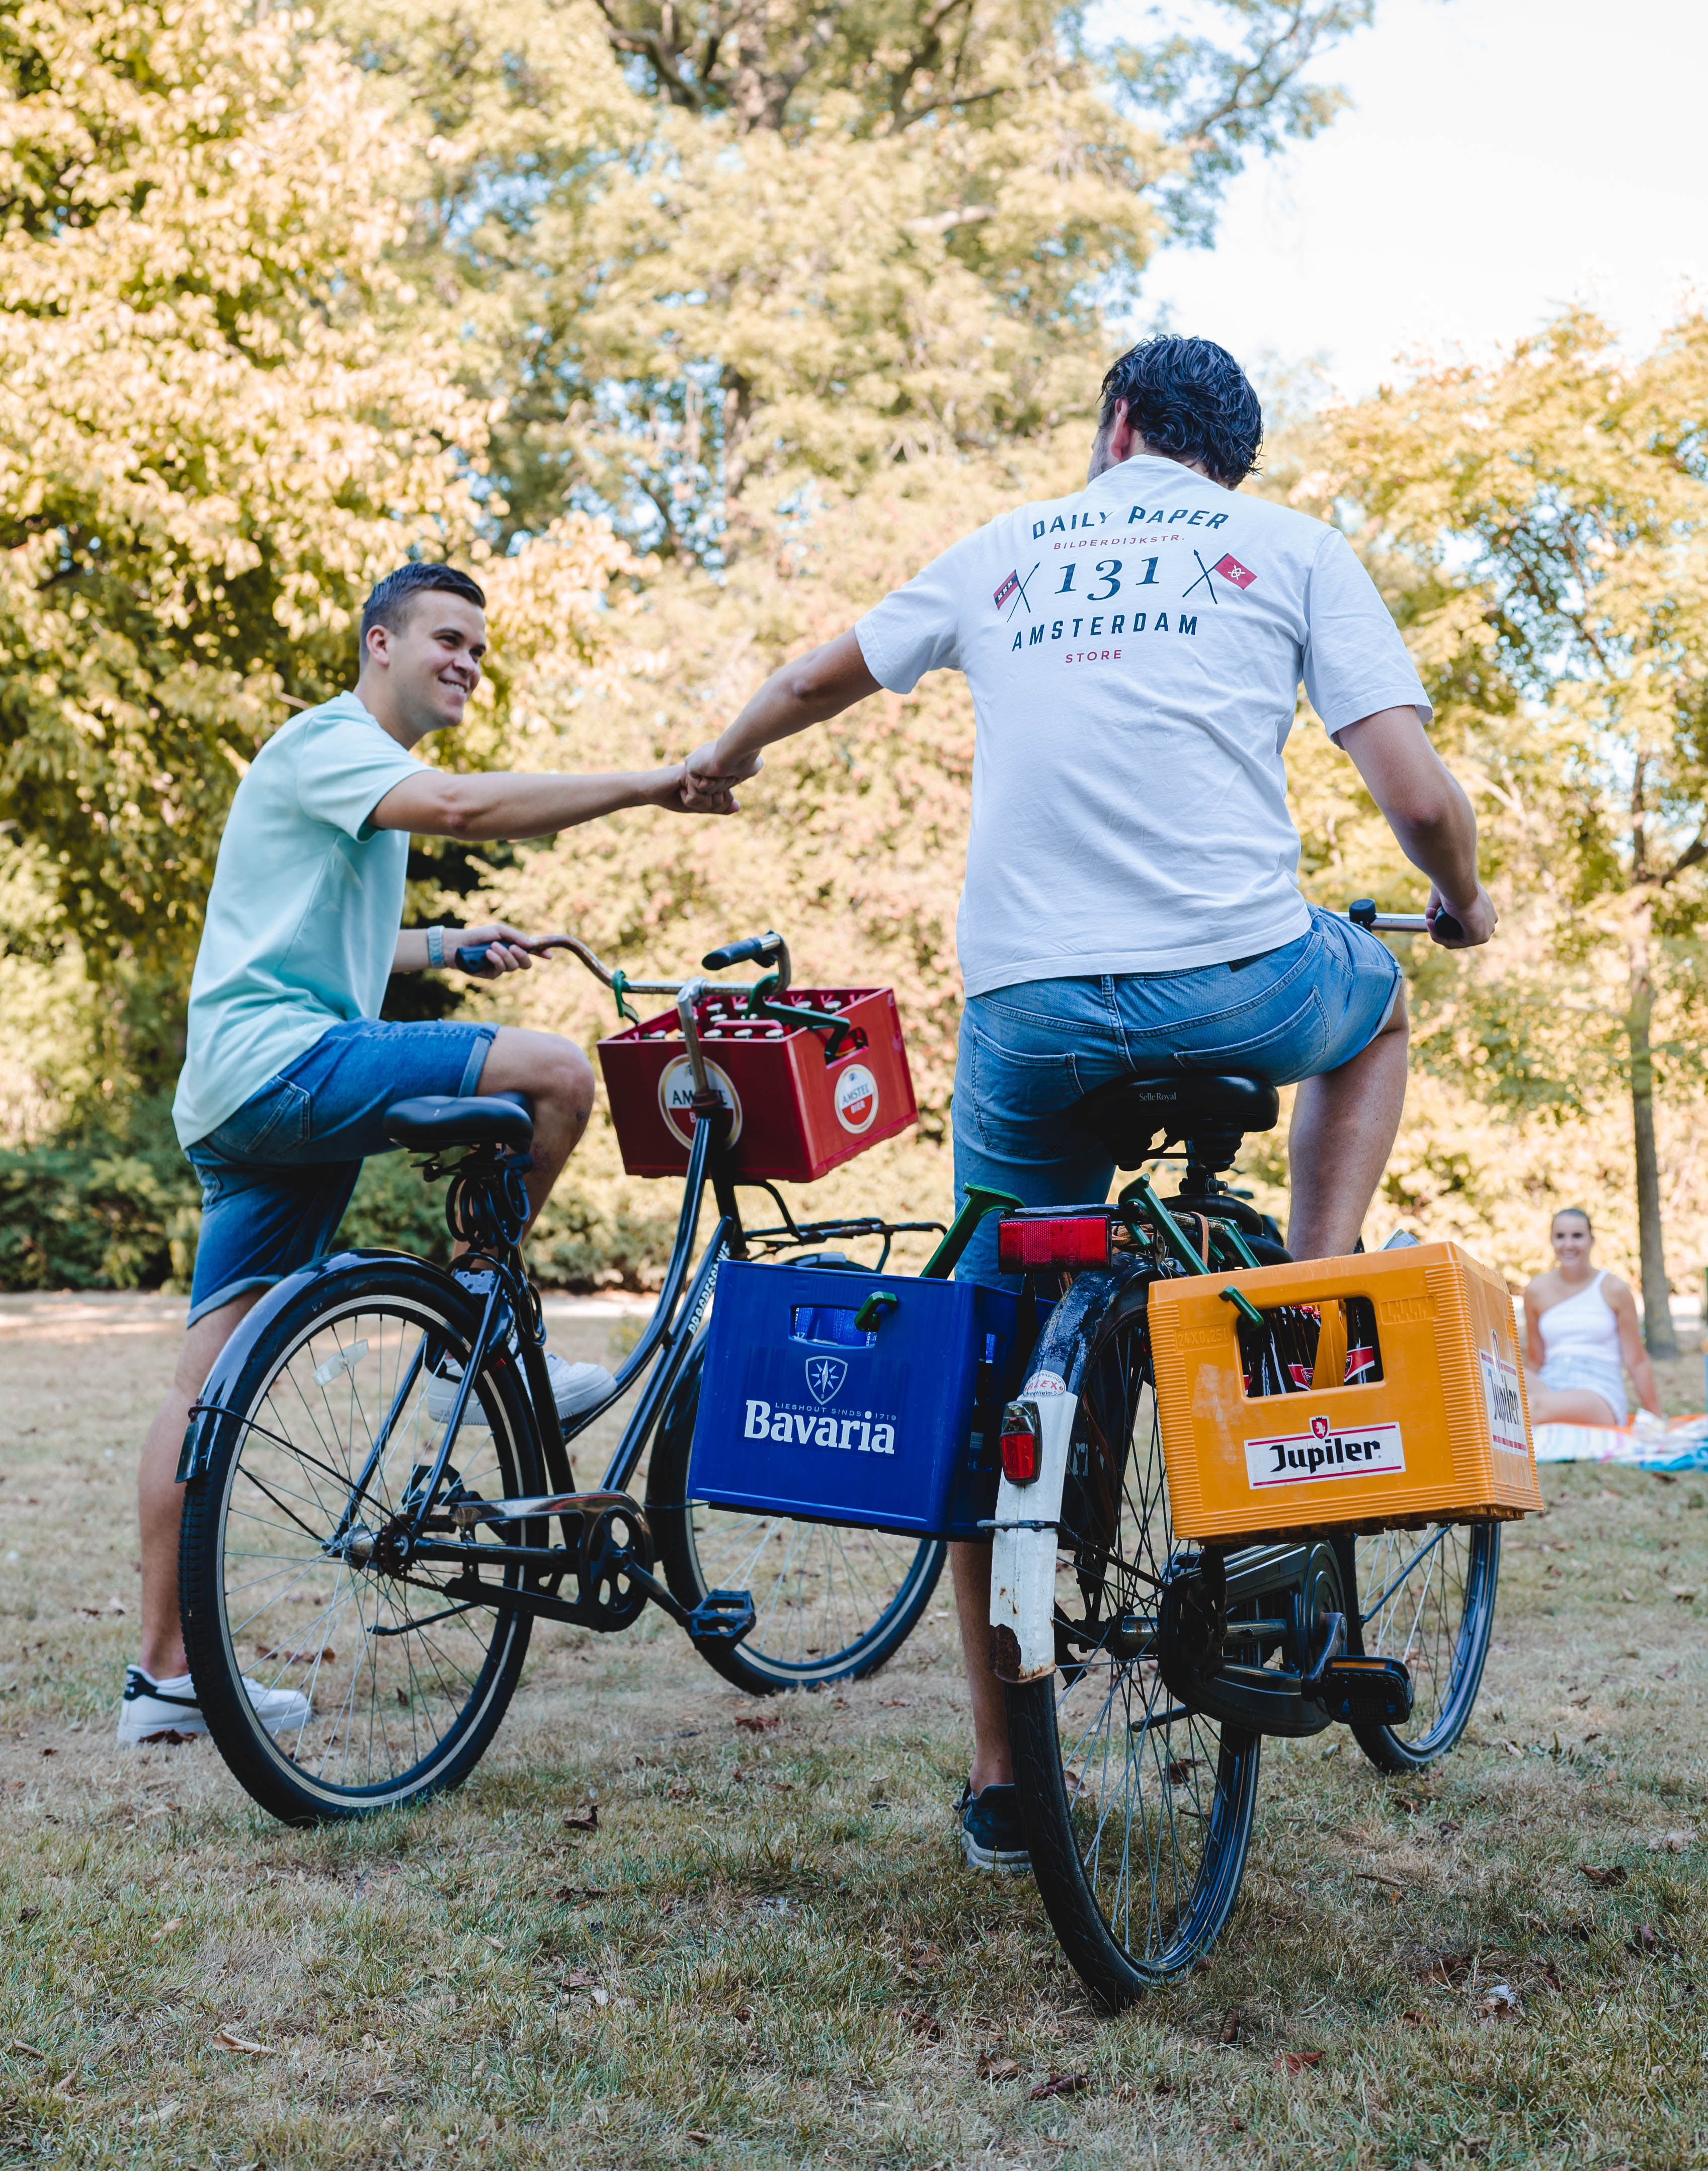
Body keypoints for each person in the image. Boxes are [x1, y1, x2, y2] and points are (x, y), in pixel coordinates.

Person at [681, 332, 1497, 1873]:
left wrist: (719, 757)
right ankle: (1311, 1297)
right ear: (1219, 457)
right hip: (1234, 978)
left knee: (995, 1363)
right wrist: (1459, 899)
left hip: (1029, 1011)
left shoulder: (1005, 547)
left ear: (1117, 424)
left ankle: (1004, 1779)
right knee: (1374, 1000)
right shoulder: (1288, 546)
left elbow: (808, 676)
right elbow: (1416, 797)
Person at [120, 561, 730, 1745]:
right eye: (447, 637)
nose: (467, 660)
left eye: (479, 648)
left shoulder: (332, 776)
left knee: (199, 1389)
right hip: (290, 1063)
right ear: (379, 641)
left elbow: (316, 928)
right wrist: (655, 782)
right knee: (557, 1073)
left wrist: (447, 939)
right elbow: (457, 807)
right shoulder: (332, 742)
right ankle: (472, 1326)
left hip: (242, 1094)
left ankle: (163, 1677)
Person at [1523, 1206, 1657, 1428]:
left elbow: (1637, 1360)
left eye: (1577, 1236)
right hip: (1550, 1383)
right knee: (1494, 1386)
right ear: (1552, 1241)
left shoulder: (1614, 1289)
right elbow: (1536, 1359)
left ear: (1591, 1240)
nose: (1568, 1245)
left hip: (1598, 1391)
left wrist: (1656, 1417)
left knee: (1531, 1407)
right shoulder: (1536, 1290)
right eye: (1560, 1237)